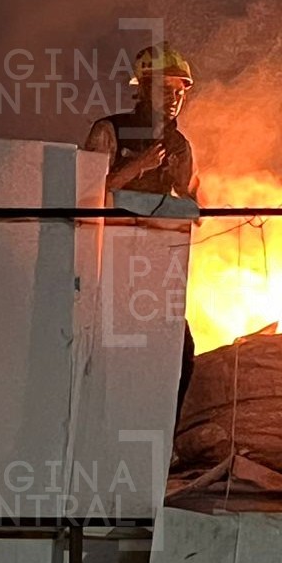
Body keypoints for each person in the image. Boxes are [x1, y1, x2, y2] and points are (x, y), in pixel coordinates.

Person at [83, 42, 199, 430]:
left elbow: (188, 195)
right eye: (166, 89)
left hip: (154, 259)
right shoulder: (110, 131)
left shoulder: (179, 145)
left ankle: (163, 437)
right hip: (106, 257)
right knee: (104, 346)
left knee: (181, 351)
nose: (174, 99)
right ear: (144, 87)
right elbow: (86, 194)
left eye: (181, 91)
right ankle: (98, 429)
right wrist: (141, 166)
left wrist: (201, 205)